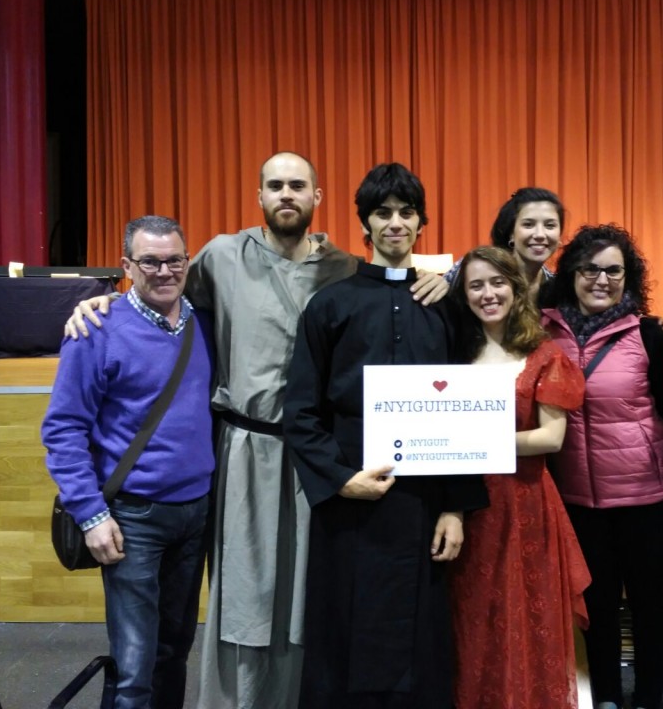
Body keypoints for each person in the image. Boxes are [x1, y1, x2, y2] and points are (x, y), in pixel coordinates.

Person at [65, 152, 447, 709]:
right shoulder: (223, 257)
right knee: (246, 593)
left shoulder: (342, 269)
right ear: (260, 197)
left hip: (320, 455)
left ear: (317, 198)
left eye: (298, 185)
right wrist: (104, 302)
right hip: (245, 450)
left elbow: (391, 284)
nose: (286, 194)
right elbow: (162, 294)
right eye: (276, 185)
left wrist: (437, 280)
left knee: (308, 594)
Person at [283, 162, 489, 709]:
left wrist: (456, 508)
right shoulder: (330, 305)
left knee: (422, 636)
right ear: (365, 224)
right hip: (350, 502)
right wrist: (340, 479)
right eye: (383, 213)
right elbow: (301, 409)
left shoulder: (446, 307)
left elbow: (464, 412)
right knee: (344, 629)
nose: (395, 223)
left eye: (406, 212)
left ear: (422, 223)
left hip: (425, 502)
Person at [43, 215, 215, 709]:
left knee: (174, 653)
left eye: (174, 260)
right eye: (150, 262)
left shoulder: (204, 323)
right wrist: (90, 514)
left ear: (187, 261)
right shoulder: (96, 329)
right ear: (126, 266)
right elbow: (63, 428)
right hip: (133, 518)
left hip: (196, 514)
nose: (164, 271)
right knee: (135, 667)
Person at [542, 224, 663, 709]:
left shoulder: (648, 335)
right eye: (590, 269)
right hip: (577, 500)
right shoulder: (541, 333)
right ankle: (604, 697)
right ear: (571, 274)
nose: (601, 280)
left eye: (613, 271)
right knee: (596, 606)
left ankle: (647, 699)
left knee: (649, 605)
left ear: (629, 277)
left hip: (649, 499)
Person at [447, 245, 590, 709]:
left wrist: (475, 440)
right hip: (466, 506)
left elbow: (551, 437)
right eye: (476, 285)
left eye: (497, 283)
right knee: (472, 616)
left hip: (524, 504)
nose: (488, 294)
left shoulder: (543, 353)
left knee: (527, 617)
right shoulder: (453, 352)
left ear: (515, 287)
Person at [446, 187, 565, 303]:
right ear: (511, 233)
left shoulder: (557, 288)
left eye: (550, 225)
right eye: (528, 225)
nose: (540, 234)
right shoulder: (473, 267)